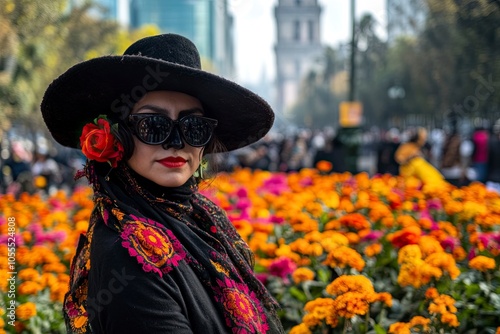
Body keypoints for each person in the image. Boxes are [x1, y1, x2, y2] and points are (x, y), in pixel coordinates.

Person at [41, 34, 284, 334]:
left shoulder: (203, 219)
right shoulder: (128, 256)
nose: (176, 143)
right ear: (117, 135)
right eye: (153, 126)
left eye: (193, 127)